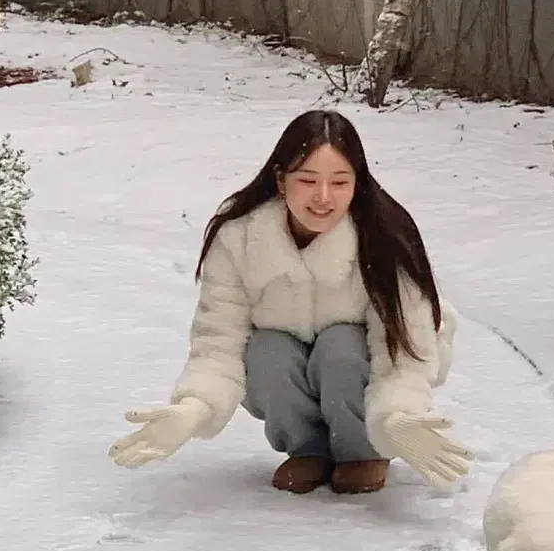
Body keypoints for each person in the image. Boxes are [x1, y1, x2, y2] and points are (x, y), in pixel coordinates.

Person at [108, 109, 474, 495]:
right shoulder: (240, 238)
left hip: (363, 362)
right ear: (281, 180)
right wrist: (194, 408)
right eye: (307, 180)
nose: (323, 197)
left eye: (339, 182)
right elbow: (220, 342)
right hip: (287, 359)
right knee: (267, 349)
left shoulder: (385, 238)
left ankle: (360, 451)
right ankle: (308, 449)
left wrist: (398, 417)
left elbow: (404, 347)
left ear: (357, 184)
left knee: (340, 346)